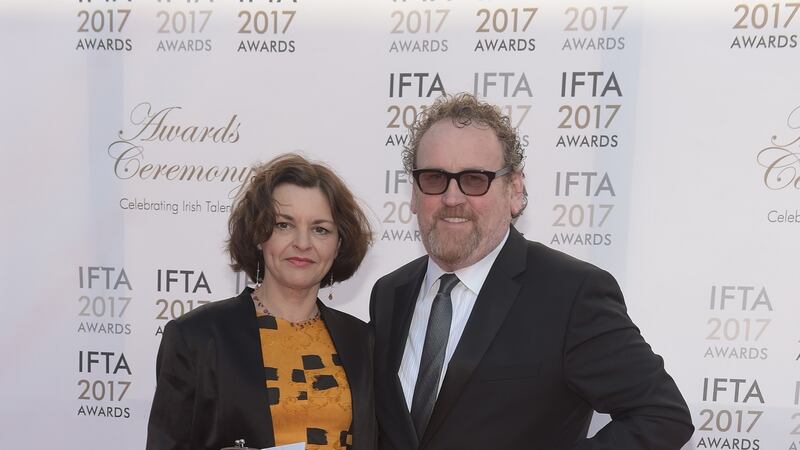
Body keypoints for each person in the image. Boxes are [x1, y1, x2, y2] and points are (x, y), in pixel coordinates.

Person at [369, 93, 694, 449]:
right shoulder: (389, 294)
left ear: (515, 190)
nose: (451, 198)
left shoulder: (570, 294)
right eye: (434, 178)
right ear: (414, 194)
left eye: (474, 180)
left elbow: (662, 416)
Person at [147, 153, 376, 450]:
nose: (303, 243)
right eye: (284, 225)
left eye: (320, 229)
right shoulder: (197, 337)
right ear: (258, 234)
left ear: (338, 244)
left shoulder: (363, 342)